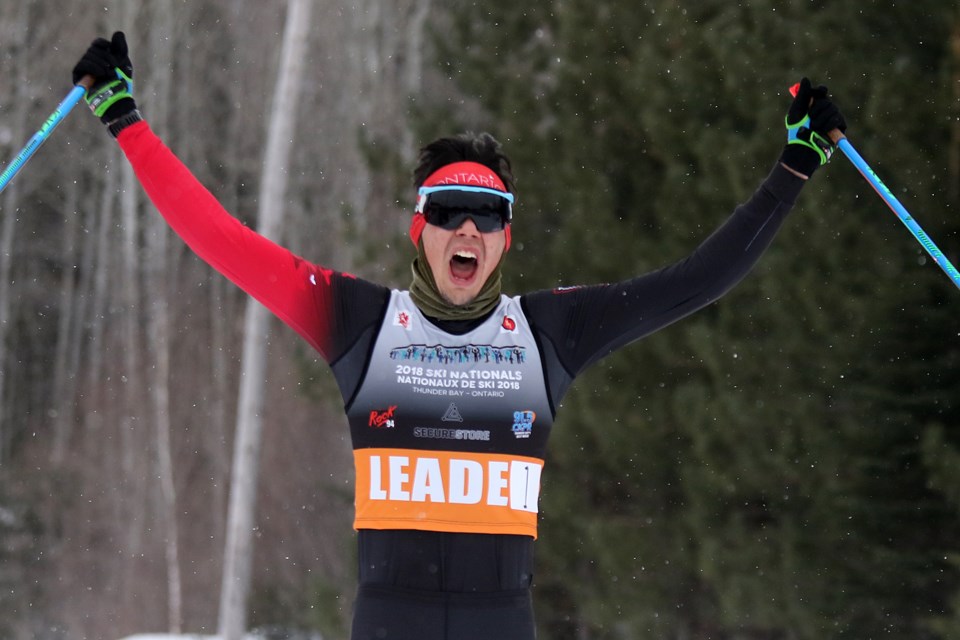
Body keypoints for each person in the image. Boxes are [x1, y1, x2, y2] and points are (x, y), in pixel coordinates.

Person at [73, 32, 846, 640]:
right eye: (446, 212)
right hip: (387, 623)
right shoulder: (360, 322)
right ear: (419, 229)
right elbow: (221, 239)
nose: (466, 228)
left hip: (501, 623)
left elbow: (693, 282)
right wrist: (127, 122)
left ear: (506, 241)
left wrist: (793, 170)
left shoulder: (548, 333)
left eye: (487, 217)